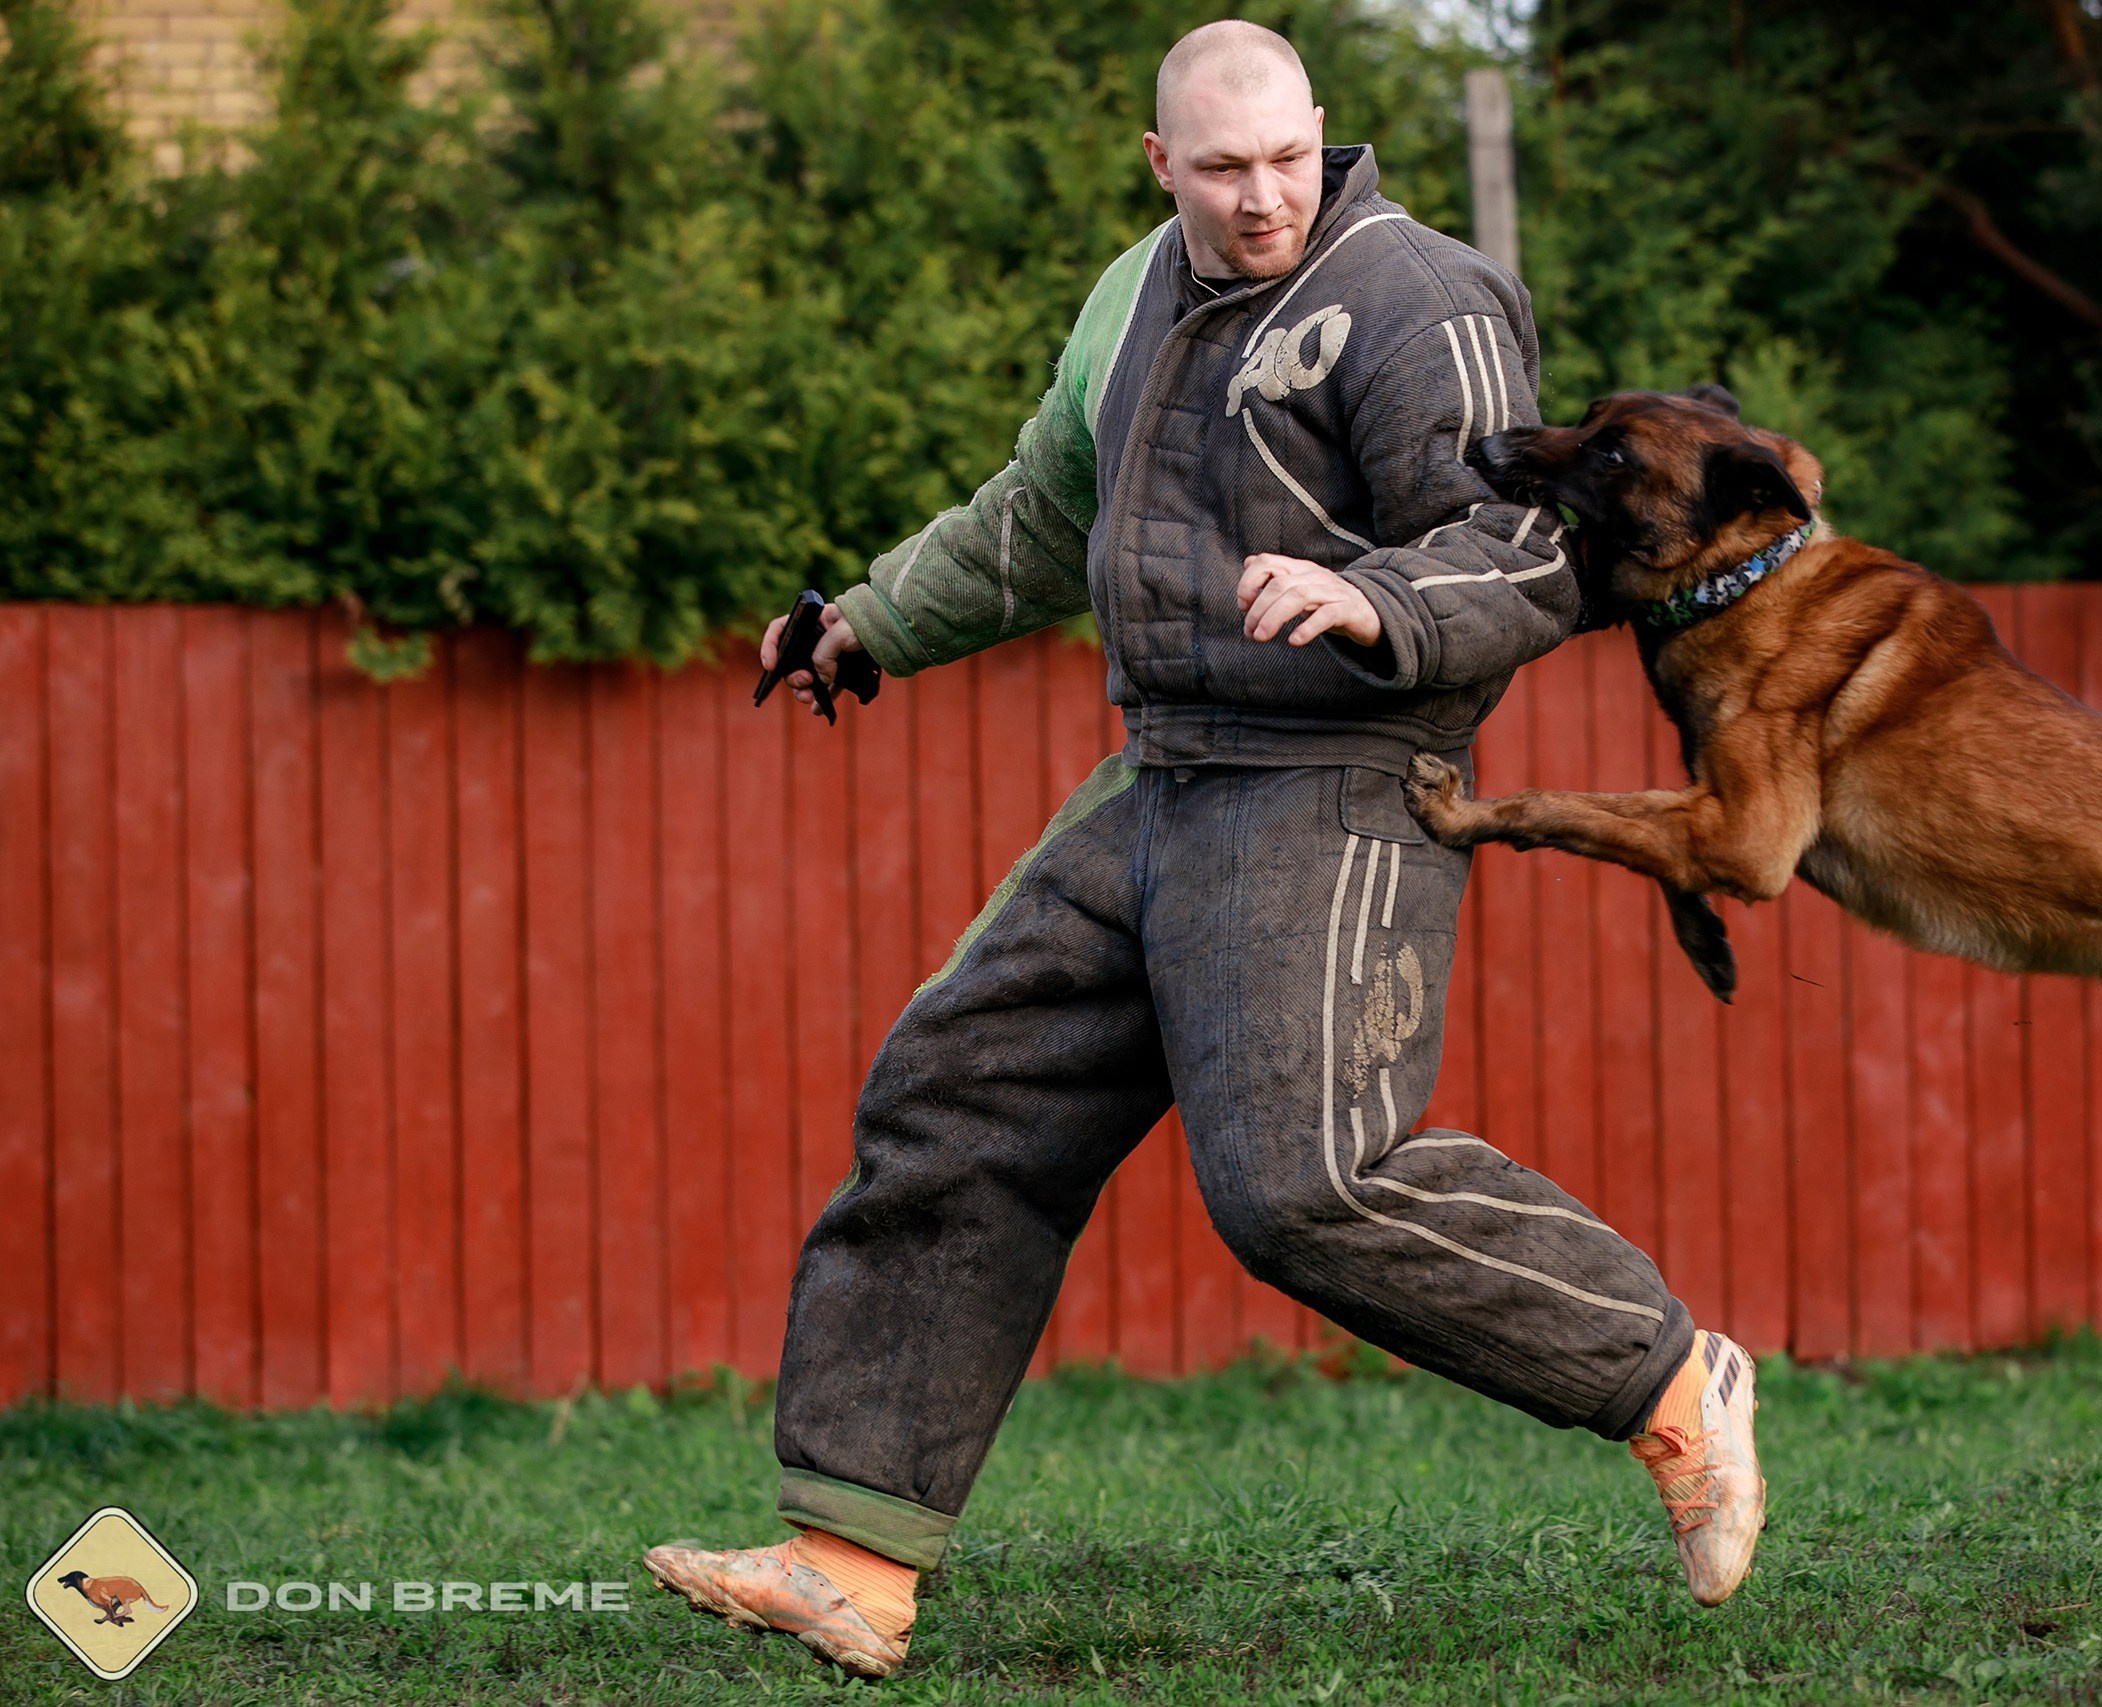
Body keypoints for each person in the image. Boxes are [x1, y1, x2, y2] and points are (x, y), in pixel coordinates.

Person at [642, 20, 1764, 1680]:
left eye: (1288, 161)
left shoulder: (1417, 299)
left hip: (1343, 772)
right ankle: (851, 1558)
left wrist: (1372, 599)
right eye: (1224, 170)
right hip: (1164, 774)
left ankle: (1668, 1383)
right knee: (960, 1089)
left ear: (1326, 134)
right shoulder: (1133, 296)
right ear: (1160, 166)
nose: (1263, 201)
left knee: (1303, 1183)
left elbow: (1523, 549)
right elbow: (1042, 510)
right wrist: (869, 620)